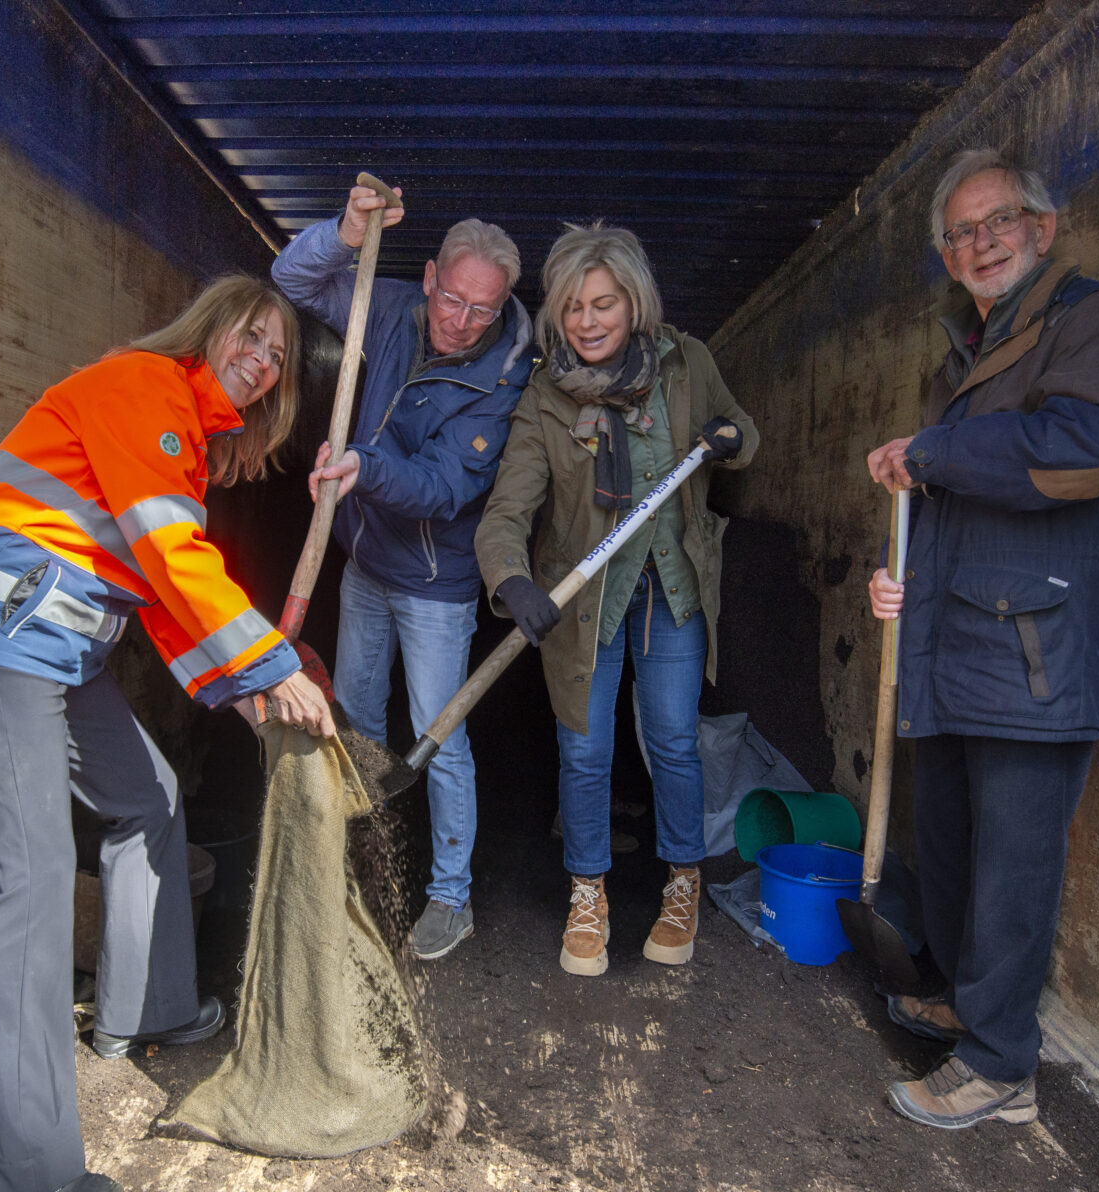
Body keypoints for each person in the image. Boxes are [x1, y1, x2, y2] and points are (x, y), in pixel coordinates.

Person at [0, 276, 335, 1192]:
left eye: (276, 359)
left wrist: (248, 687)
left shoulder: (181, 444)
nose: (262, 362)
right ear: (212, 324)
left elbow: (160, 595)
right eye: (253, 337)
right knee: (30, 874)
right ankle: (14, 1169)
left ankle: (148, 1007)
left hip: (57, 643)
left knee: (151, 796)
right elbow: (175, 557)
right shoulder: (146, 387)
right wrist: (269, 659)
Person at [856, 148, 1099, 1130]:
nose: (979, 242)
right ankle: (959, 994)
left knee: (1012, 862)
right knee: (948, 837)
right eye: (960, 232)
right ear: (946, 258)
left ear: (1040, 227)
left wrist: (935, 451)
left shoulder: (1090, 322)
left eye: (998, 222)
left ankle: (999, 1064)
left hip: (1036, 651)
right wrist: (897, 576)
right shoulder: (979, 355)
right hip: (964, 645)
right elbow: (963, 505)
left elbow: (1090, 450)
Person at [475, 223, 757, 977]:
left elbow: (745, 430)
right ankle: (588, 891)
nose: (588, 322)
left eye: (603, 304)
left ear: (633, 304)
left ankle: (682, 884)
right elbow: (507, 509)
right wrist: (510, 578)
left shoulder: (685, 363)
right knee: (585, 746)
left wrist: (729, 436)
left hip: (672, 586)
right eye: (572, 308)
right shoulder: (545, 394)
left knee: (671, 738)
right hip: (584, 595)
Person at [271, 183, 534, 962]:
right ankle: (359, 863)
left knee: (438, 733)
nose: (463, 321)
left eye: (483, 309)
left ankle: (450, 896)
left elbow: (446, 487)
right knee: (352, 716)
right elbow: (293, 282)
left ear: (504, 306)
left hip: (433, 583)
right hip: (363, 561)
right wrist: (347, 235)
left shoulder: (505, 378)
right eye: (453, 299)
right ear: (427, 278)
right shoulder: (387, 305)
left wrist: (364, 464)